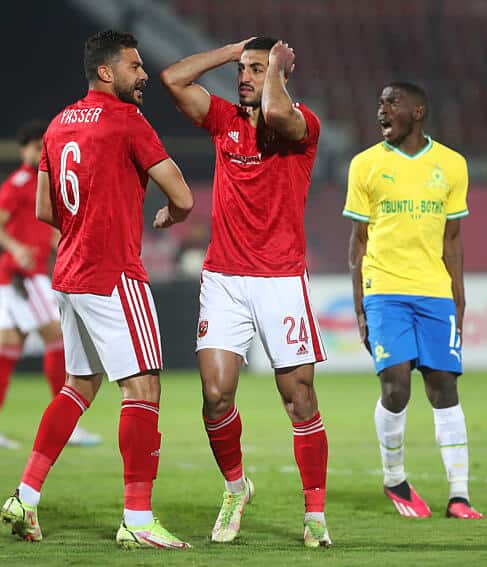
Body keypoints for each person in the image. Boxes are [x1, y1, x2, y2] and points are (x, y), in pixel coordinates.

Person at [0, 30, 194, 549]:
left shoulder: (59, 123)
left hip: (69, 273)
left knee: (78, 387)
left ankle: (25, 496)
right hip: (114, 273)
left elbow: (45, 209)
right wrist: (171, 214)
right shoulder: (128, 120)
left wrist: (83, 226)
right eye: (135, 65)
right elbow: (182, 195)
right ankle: (138, 519)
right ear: (106, 72)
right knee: (143, 387)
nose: (144, 74)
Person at [161, 37, 331, 547]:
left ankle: (315, 513)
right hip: (224, 279)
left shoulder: (302, 125)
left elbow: (277, 112)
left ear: (280, 73)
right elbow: (172, 79)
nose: (244, 77)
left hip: (281, 280)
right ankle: (236, 488)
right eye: (242, 70)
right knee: (215, 396)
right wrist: (234, 49)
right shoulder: (223, 120)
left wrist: (272, 65)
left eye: (256, 69)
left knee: (298, 397)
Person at [344, 82, 483, 520]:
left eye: (392, 102)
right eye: (379, 103)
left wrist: (459, 299)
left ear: (418, 111)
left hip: (435, 292)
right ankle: (395, 478)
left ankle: (459, 495)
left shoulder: (452, 165)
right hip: (384, 290)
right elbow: (358, 243)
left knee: (444, 387)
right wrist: (360, 308)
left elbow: (453, 239)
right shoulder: (365, 164)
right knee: (396, 385)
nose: (381, 110)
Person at [0, 120, 100, 449]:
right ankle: (66, 425)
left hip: (19, 277)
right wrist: (16, 248)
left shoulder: (47, 183)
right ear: (23, 150)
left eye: (44, 146)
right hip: (22, 277)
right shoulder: (17, 184)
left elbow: (51, 233)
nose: (40, 151)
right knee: (58, 338)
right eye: (35, 146)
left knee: (7, 349)